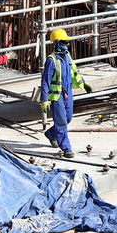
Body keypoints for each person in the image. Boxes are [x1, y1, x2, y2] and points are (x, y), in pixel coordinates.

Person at [40, 28, 92, 158]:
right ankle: (66, 148)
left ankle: (51, 134)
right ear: (56, 43)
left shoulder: (67, 56)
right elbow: (45, 81)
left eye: (67, 42)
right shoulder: (51, 60)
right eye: (64, 42)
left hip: (67, 92)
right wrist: (44, 99)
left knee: (68, 118)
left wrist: (83, 83)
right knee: (62, 121)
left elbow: (74, 72)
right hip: (57, 95)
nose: (66, 44)